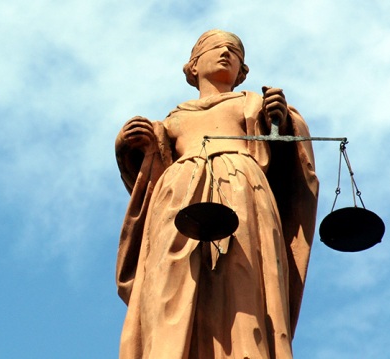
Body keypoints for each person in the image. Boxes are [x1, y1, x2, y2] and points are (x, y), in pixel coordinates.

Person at [114, 29, 319, 358]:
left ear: (242, 71)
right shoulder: (173, 120)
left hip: (243, 192)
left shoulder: (252, 104)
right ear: (193, 66)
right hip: (178, 200)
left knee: (244, 278)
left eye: (235, 52)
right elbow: (151, 172)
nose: (226, 53)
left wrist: (282, 121)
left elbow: (288, 160)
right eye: (216, 47)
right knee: (168, 284)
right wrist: (130, 143)